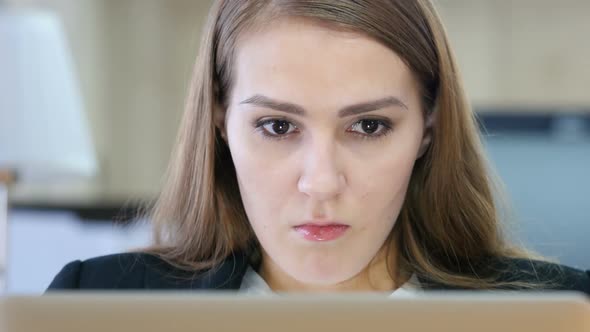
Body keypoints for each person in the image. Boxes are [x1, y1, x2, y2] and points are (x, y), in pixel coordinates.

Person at [48, 0, 589, 295]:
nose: (322, 182)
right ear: (218, 120)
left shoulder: (564, 313)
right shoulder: (96, 301)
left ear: (428, 126)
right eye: (279, 127)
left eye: (370, 127)